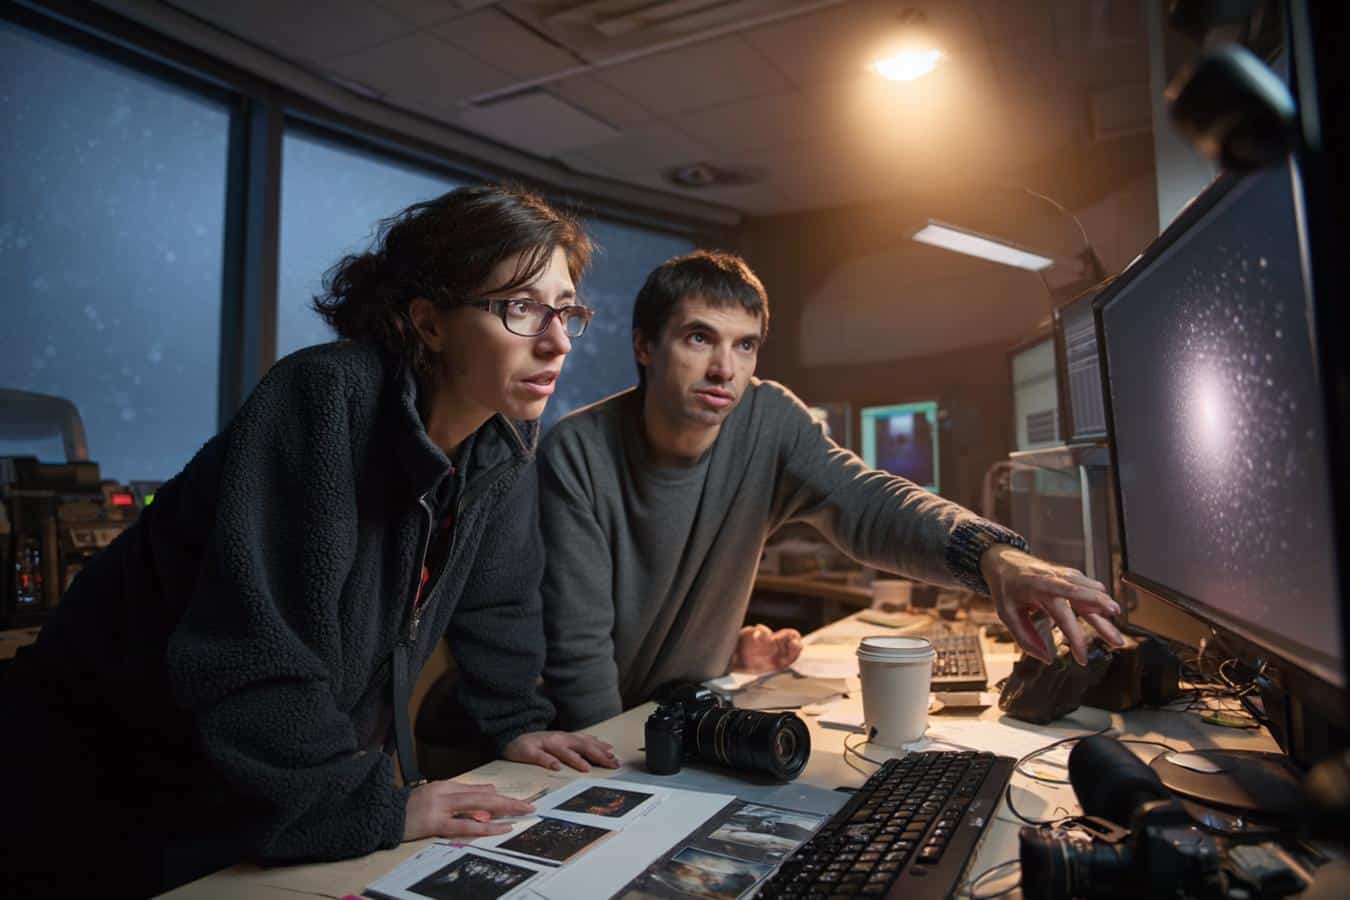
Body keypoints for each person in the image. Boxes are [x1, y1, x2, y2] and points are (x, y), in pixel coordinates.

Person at [0, 185, 617, 898]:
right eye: (520, 307)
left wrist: (515, 722)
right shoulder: (324, 400)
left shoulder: (502, 438)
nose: (558, 340)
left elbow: (499, 599)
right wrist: (368, 805)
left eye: (567, 309)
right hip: (97, 771)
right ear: (429, 321)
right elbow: (256, 651)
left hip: (230, 788)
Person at [539, 250, 1126, 729]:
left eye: (745, 345)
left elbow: (867, 501)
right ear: (644, 345)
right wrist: (612, 784)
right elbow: (580, 662)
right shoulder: (578, 451)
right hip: (587, 742)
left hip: (676, 716)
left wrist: (993, 558)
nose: (725, 368)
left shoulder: (769, 420)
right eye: (699, 339)